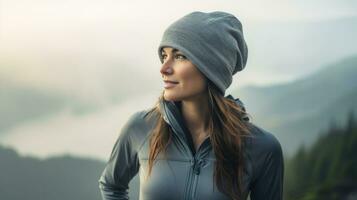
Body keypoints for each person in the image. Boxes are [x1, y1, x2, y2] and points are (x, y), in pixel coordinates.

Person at [98, 11, 284, 200]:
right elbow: (111, 185)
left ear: (212, 68)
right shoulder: (141, 127)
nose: (164, 68)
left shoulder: (262, 148)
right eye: (164, 55)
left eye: (179, 56)